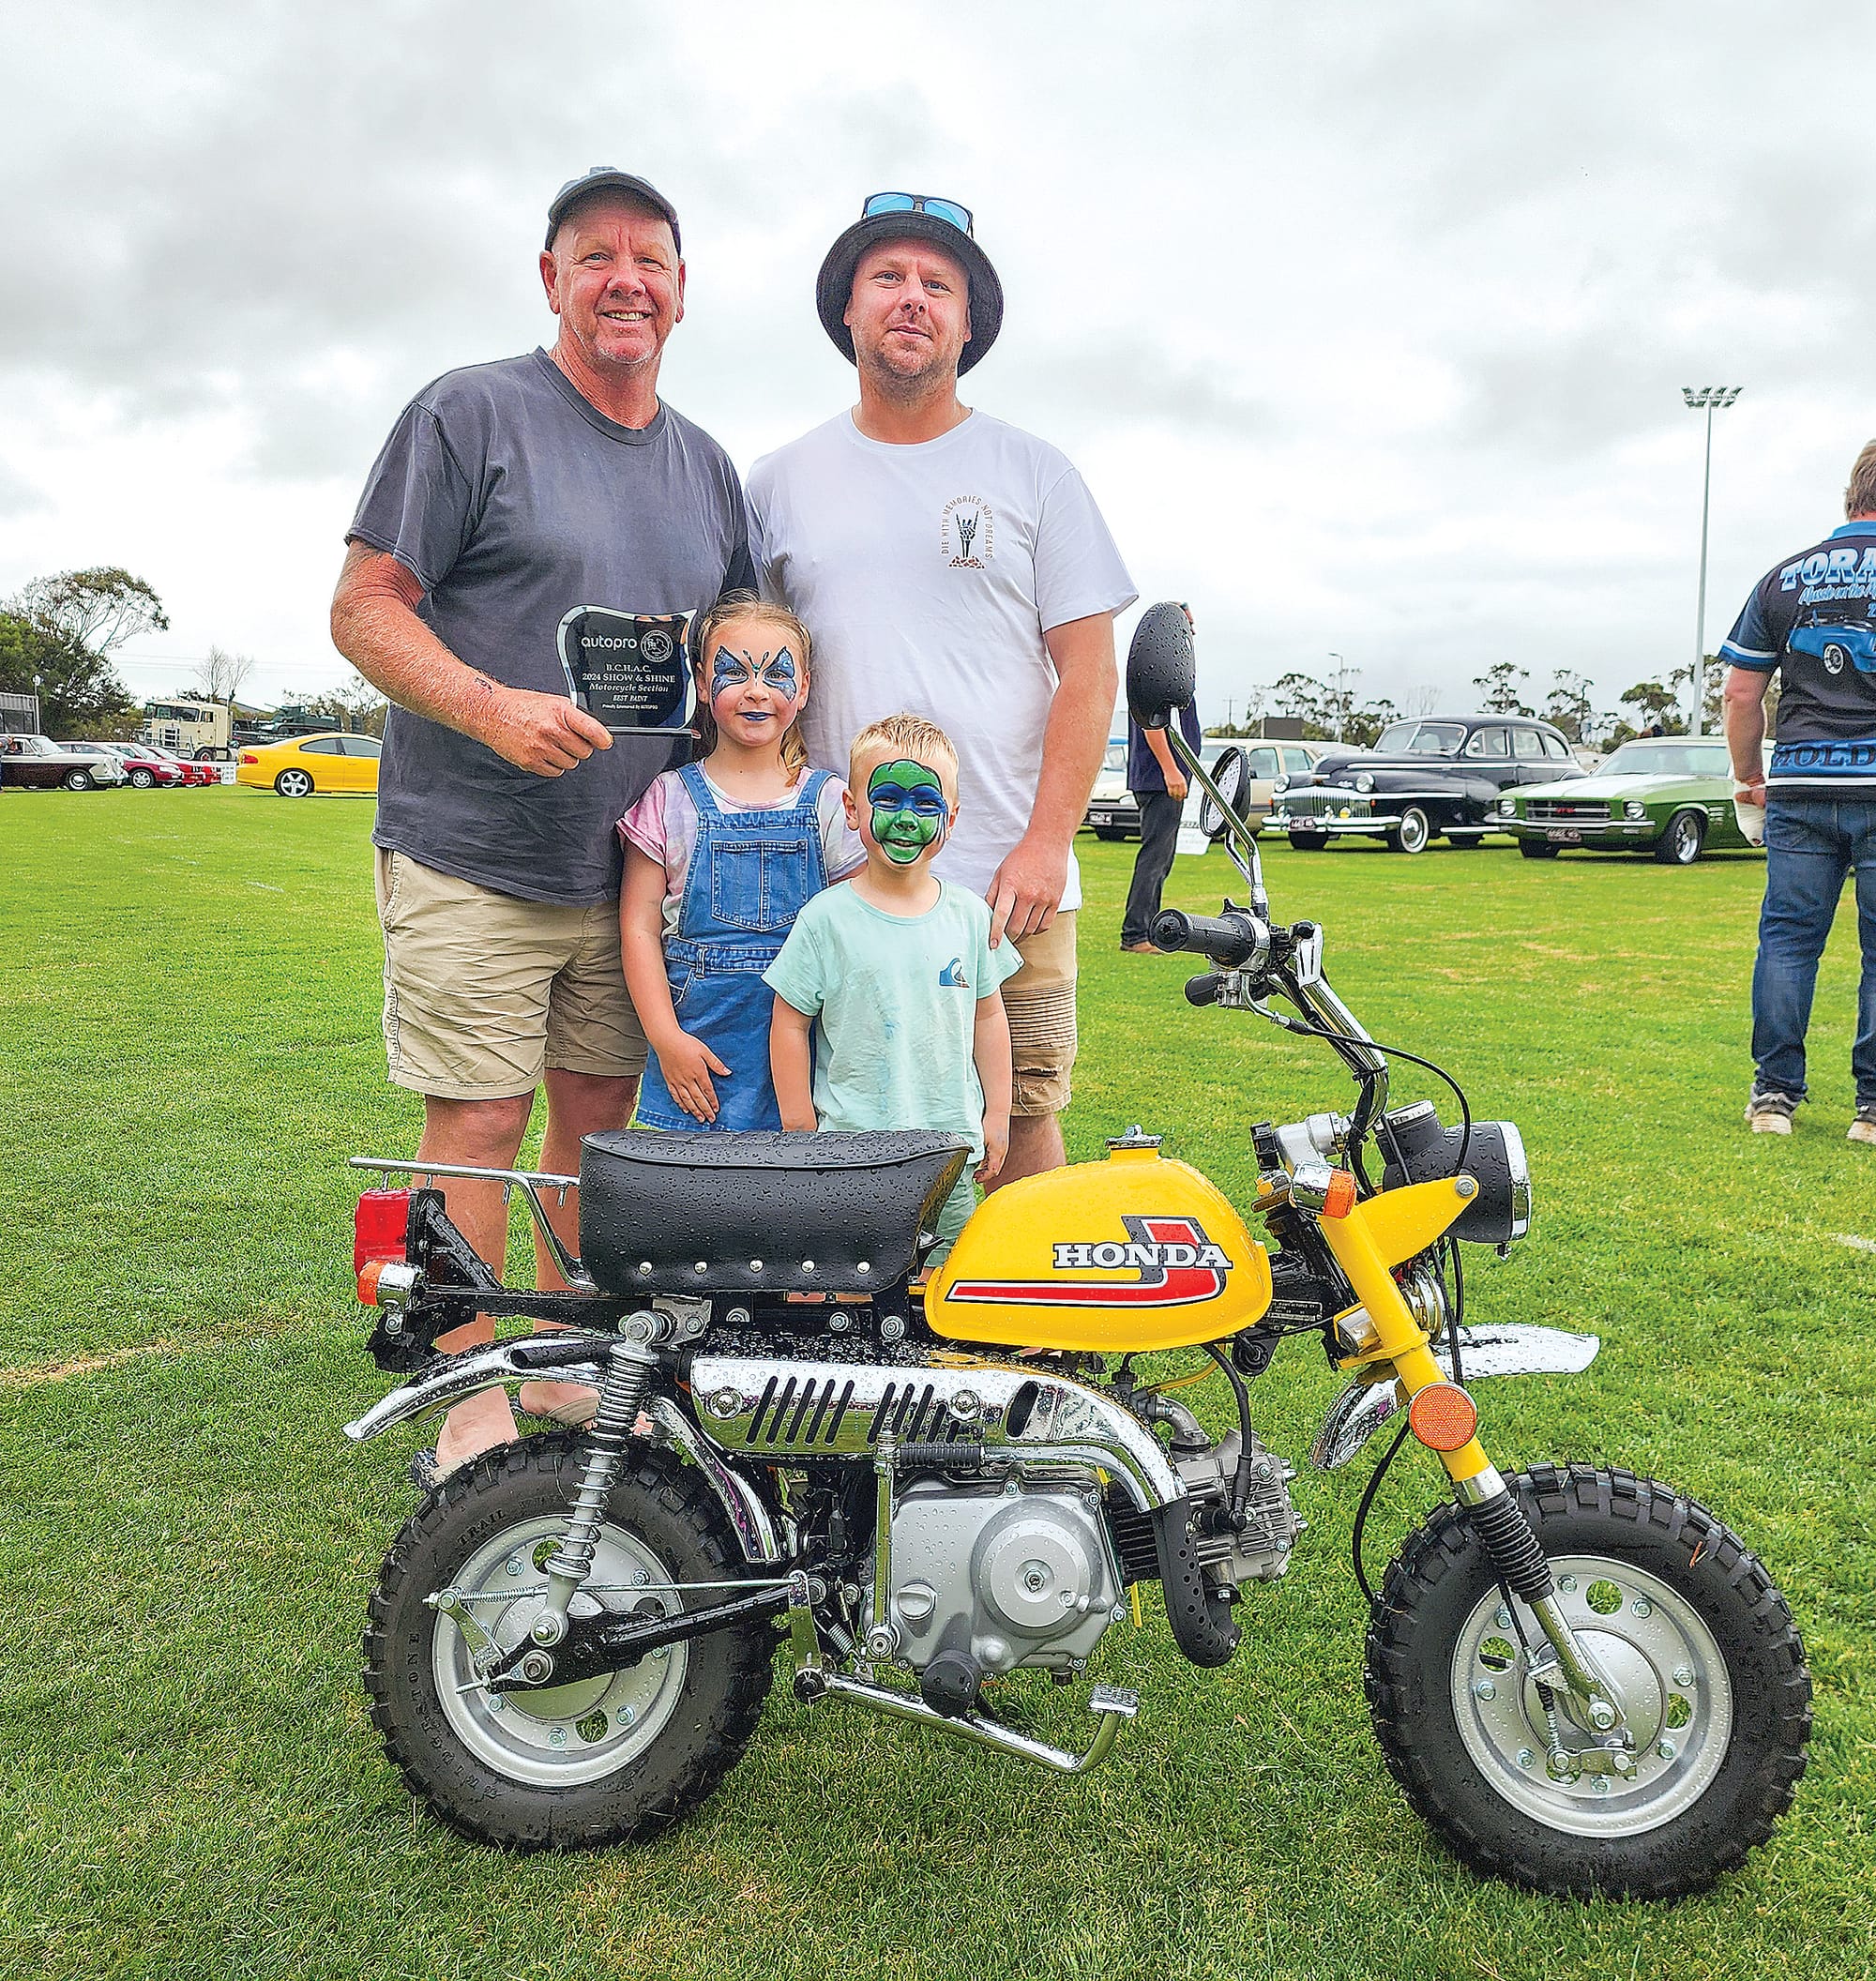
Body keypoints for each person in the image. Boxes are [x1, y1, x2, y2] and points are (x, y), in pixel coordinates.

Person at [329, 168, 755, 1476]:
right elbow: (364, 608)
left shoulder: (707, 469)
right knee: (476, 1124)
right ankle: (468, 1391)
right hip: (477, 852)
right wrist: (490, 708)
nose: (626, 280)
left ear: (681, 290)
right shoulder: (470, 413)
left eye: (651, 260)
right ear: (551, 277)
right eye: (597, 257)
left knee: (594, 1122)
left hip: (628, 876)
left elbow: (733, 654)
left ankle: (569, 1363)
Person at [747, 193, 1135, 1191]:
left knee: (1020, 1122)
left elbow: (1090, 671)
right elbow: (753, 673)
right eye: (887, 278)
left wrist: (1045, 843)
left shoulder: (1035, 472)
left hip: (1007, 885)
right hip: (838, 881)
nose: (911, 298)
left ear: (969, 323)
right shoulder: (779, 480)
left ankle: (1020, 1304)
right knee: (842, 1130)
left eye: (938, 284)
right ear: (847, 310)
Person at [766, 713, 1021, 1266]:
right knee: (850, 1284)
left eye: (926, 804)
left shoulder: (970, 918)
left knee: (946, 1282)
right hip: (849, 1155)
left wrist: (997, 1114)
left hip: (948, 1153)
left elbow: (988, 1019)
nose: (906, 819)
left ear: (952, 817)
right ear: (852, 809)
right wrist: (799, 1125)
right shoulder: (826, 919)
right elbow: (789, 1021)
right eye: (887, 799)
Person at [619, 593, 862, 1129]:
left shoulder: (830, 802)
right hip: (698, 1054)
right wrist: (666, 1038)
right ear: (703, 684)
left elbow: (859, 925)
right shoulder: (669, 798)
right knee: (694, 1180)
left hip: (808, 1056)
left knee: (799, 1180)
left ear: (803, 688)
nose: (756, 691)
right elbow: (638, 928)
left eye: (777, 675)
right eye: (734, 673)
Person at [1720, 437, 1876, 1142]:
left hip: (1801, 785)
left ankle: (1773, 1098)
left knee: (1787, 942)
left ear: (1851, 495)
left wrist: (1748, 777)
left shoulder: (1784, 578)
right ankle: (1871, 1111)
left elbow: (1740, 692)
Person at [1121, 605, 1202, 953]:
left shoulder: (1166, 668)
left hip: (1159, 778)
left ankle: (1148, 930)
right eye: (1188, 623)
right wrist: (1171, 770)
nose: (1192, 631)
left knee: (1161, 857)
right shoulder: (1162, 668)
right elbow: (1153, 726)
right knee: (1154, 857)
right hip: (1159, 780)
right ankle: (1136, 933)